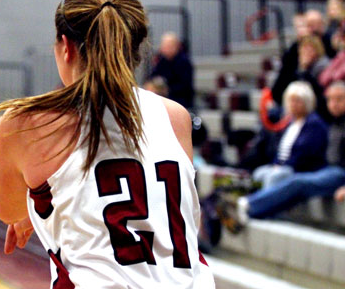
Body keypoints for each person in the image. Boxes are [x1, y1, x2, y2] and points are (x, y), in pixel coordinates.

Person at [0, 0, 219, 289]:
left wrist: (32, 202)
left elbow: (10, 210)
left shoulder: (25, 123)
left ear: (65, 46)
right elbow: (181, 217)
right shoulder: (174, 116)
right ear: (136, 48)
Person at [219, 82, 345, 233]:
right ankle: (240, 206)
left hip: (336, 172)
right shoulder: (331, 123)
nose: (334, 104)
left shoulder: (316, 124)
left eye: (339, 99)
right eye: (331, 99)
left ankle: (246, 205)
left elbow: (305, 155)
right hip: (326, 169)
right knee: (262, 173)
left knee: (294, 180)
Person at [251, 81, 328, 188]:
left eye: (298, 101)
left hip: (300, 169)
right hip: (282, 166)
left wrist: (282, 167)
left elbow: (306, 154)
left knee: (275, 176)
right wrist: (276, 165)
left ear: (307, 102)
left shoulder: (314, 124)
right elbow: (280, 151)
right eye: (291, 101)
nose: (293, 104)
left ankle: (267, 204)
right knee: (259, 173)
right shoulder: (289, 123)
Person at [148, 32, 194, 109]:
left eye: (168, 46)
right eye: (164, 46)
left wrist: (165, 90)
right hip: (162, 97)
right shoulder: (161, 61)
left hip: (179, 100)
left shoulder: (184, 62)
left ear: (176, 47)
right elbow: (153, 77)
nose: (165, 49)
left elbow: (185, 86)